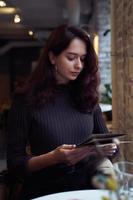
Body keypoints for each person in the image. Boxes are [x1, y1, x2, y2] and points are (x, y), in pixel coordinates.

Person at [7, 25, 118, 199]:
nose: (79, 65)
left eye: (82, 58)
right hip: (45, 192)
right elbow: (15, 164)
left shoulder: (88, 96)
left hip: (88, 191)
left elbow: (108, 145)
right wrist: (53, 158)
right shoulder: (25, 99)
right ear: (52, 57)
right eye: (71, 58)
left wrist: (109, 149)